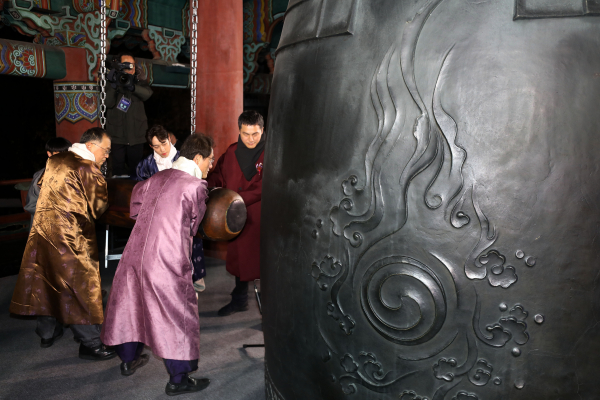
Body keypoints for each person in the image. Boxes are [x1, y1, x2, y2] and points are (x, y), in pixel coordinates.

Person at [101, 133, 214, 396]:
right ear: (198, 158)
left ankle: (128, 360)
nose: (211, 165)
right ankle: (179, 379)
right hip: (166, 258)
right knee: (176, 314)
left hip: (134, 254)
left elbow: (135, 210)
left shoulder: (154, 179)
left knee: (131, 305)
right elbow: (195, 226)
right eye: (210, 159)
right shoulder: (195, 186)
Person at [10, 127, 115, 361]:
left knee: (47, 280)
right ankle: (90, 343)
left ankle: (48, 331)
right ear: (91, 146)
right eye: (106, 151)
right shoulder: (87, 168)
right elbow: (98, 207)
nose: (107, 155)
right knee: (80, 287)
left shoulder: (56, 161)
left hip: (44, 232)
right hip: (70, 237)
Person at [206, 110, 265, 316]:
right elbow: (218, 176)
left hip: (260, 216)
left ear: (262, 130)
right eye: (245, 134)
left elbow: (264, 186)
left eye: (255, 134)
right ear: (239, 131)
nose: (250, 139)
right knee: (240, 258)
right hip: (235, 216)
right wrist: (203, 186)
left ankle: (273, 308)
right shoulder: (232, 152)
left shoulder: (271, 152)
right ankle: (239, 299)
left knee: (264, 261)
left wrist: (237, 200)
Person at [106, 51, 153, 178]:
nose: (128, 68)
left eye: (131, 65)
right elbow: (108, 103)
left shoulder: (139, 80)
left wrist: (133, 87)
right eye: (125, 65)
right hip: (116, 134)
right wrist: (114, 85)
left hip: (136, 135)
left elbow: (148, 94)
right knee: (117, 170)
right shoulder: (112, 82)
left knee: (136, 169)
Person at [24, 137, 72, 229]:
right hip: (45, 226)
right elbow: (31, 205)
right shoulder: (41, 176)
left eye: (66, 154)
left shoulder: (73, 173)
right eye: (58, 155)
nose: (63, 158)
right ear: (49, 154)